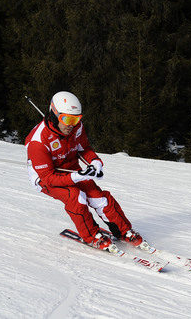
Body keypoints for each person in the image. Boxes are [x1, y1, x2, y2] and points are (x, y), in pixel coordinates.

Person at [25, 91, 142, 251]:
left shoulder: (76, 127)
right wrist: (77, 176)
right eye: (67, 119)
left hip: (70, 168)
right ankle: (92, 236)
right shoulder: (37, 142)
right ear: (54, 114)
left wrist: (95, 162)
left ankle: (123, 231)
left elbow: (84, 148)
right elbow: (48, 178)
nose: (71, 124)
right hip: (45, 177)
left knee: (99, 197)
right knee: (76, 197)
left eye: (76, 119)